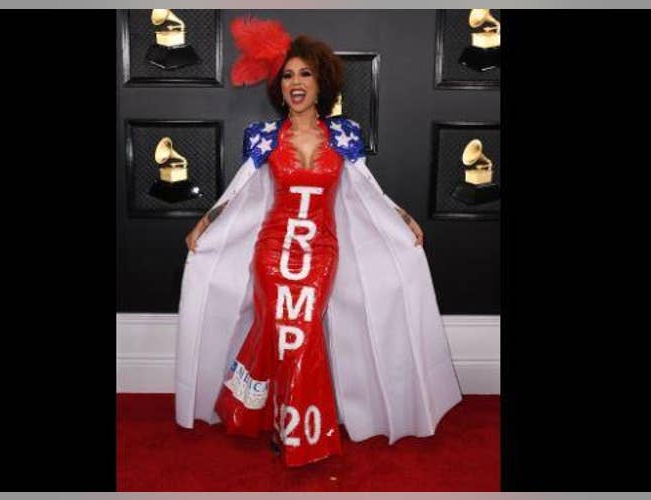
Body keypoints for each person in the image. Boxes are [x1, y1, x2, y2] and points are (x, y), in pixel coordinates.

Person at [175, 17, 462, 467]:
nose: (296, 82)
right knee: (282, 332)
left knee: (302, 331)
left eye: (305, 73)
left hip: (321, 252)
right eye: (288, 75)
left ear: (320, 82)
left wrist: (403, 218)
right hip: (273, 251)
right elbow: (241, 190)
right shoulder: (264, 136)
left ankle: (282, 417)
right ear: (279, 86)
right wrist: (204, 223)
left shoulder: (343, 134)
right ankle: (293, 430)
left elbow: (367, 188)